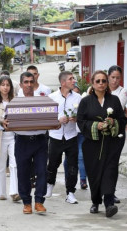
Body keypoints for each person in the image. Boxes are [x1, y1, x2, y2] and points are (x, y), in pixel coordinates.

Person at [77, 70, 127, 218]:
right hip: (92, 145)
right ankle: (95, 201)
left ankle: (109, 204)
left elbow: (122, 119)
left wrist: (113, 122)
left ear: (107, 84)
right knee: (94, 173)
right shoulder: (86, 101)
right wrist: (95, 126)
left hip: (111, 144)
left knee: (110, 172)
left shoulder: (114, 100)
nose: (101, 84)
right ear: (92, 83)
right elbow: (81, 121)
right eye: (98, 81)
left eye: (103, 81)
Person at [14, 71, 48, 214]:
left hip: (40, 140)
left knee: (42, 171)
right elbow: (5, 121)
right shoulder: (14, 101)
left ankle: (39, 201)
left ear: (35, 83)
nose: (29, 85)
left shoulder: (43, 100)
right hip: (22, 141)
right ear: (21, 84)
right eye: (26, 82)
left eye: (31, 82)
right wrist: (3, 123)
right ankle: (26, 202)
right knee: (23, 173)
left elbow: (51, 116)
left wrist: (56, 123)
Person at [45, 71, 82, 204]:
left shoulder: (78, 97)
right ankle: (49, 185)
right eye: (71, 79)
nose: (74, 81)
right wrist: (58, 119)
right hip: (55, 136)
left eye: (74, 78)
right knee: (53, 163)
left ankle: (71, 192)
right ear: (63, 82)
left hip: (71, 136)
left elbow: (82, 116)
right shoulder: (52, 97)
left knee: (73, 165)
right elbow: (47, 117)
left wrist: (75, 119)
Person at [108, 65, 127, 204]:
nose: (115, 80)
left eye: (118, 78)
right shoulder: (101, 89)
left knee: (113, 163)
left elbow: (117, 107)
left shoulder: (123, 91)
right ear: (108, 76)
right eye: (113, 77)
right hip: (102, 131)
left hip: (116, 132)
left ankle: (111, 192)